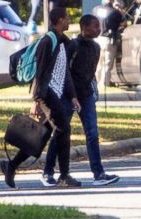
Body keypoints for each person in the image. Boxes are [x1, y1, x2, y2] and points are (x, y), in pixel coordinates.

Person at [1, 7, 81, 189]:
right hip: (46, 94)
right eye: (67, 18)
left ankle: (11, 165)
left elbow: (64, 71)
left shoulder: (61, 42)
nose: (69, 21)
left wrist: (73, 96)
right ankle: (64, 176)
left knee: (41, 136)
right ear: (59, 20)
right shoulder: (47, 41)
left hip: (56, 92)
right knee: (63, 128)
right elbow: (40, 72)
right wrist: (36, 100)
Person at [41, 15, 120, 187]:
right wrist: (71, 95)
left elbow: (90, 73)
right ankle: (48, 171)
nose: (98, 29)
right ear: (84, 27)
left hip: (87, 96)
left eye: (99, 26)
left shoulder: (96, 47)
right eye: (94, 26)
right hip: (68, 96)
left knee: (92, 134)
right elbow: (64, 71)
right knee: (60, 134)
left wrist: (93, 90)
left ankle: (98, 174)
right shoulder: (72, 46)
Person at [92, 0, 124, 87]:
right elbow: (123, 23)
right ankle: (104, 84)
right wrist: (119, 9)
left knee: (98, 64)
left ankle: (95, 84)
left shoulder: (96, 10)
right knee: (107, 65)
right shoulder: (115, 12)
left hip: (96, 39)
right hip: (108, 40)